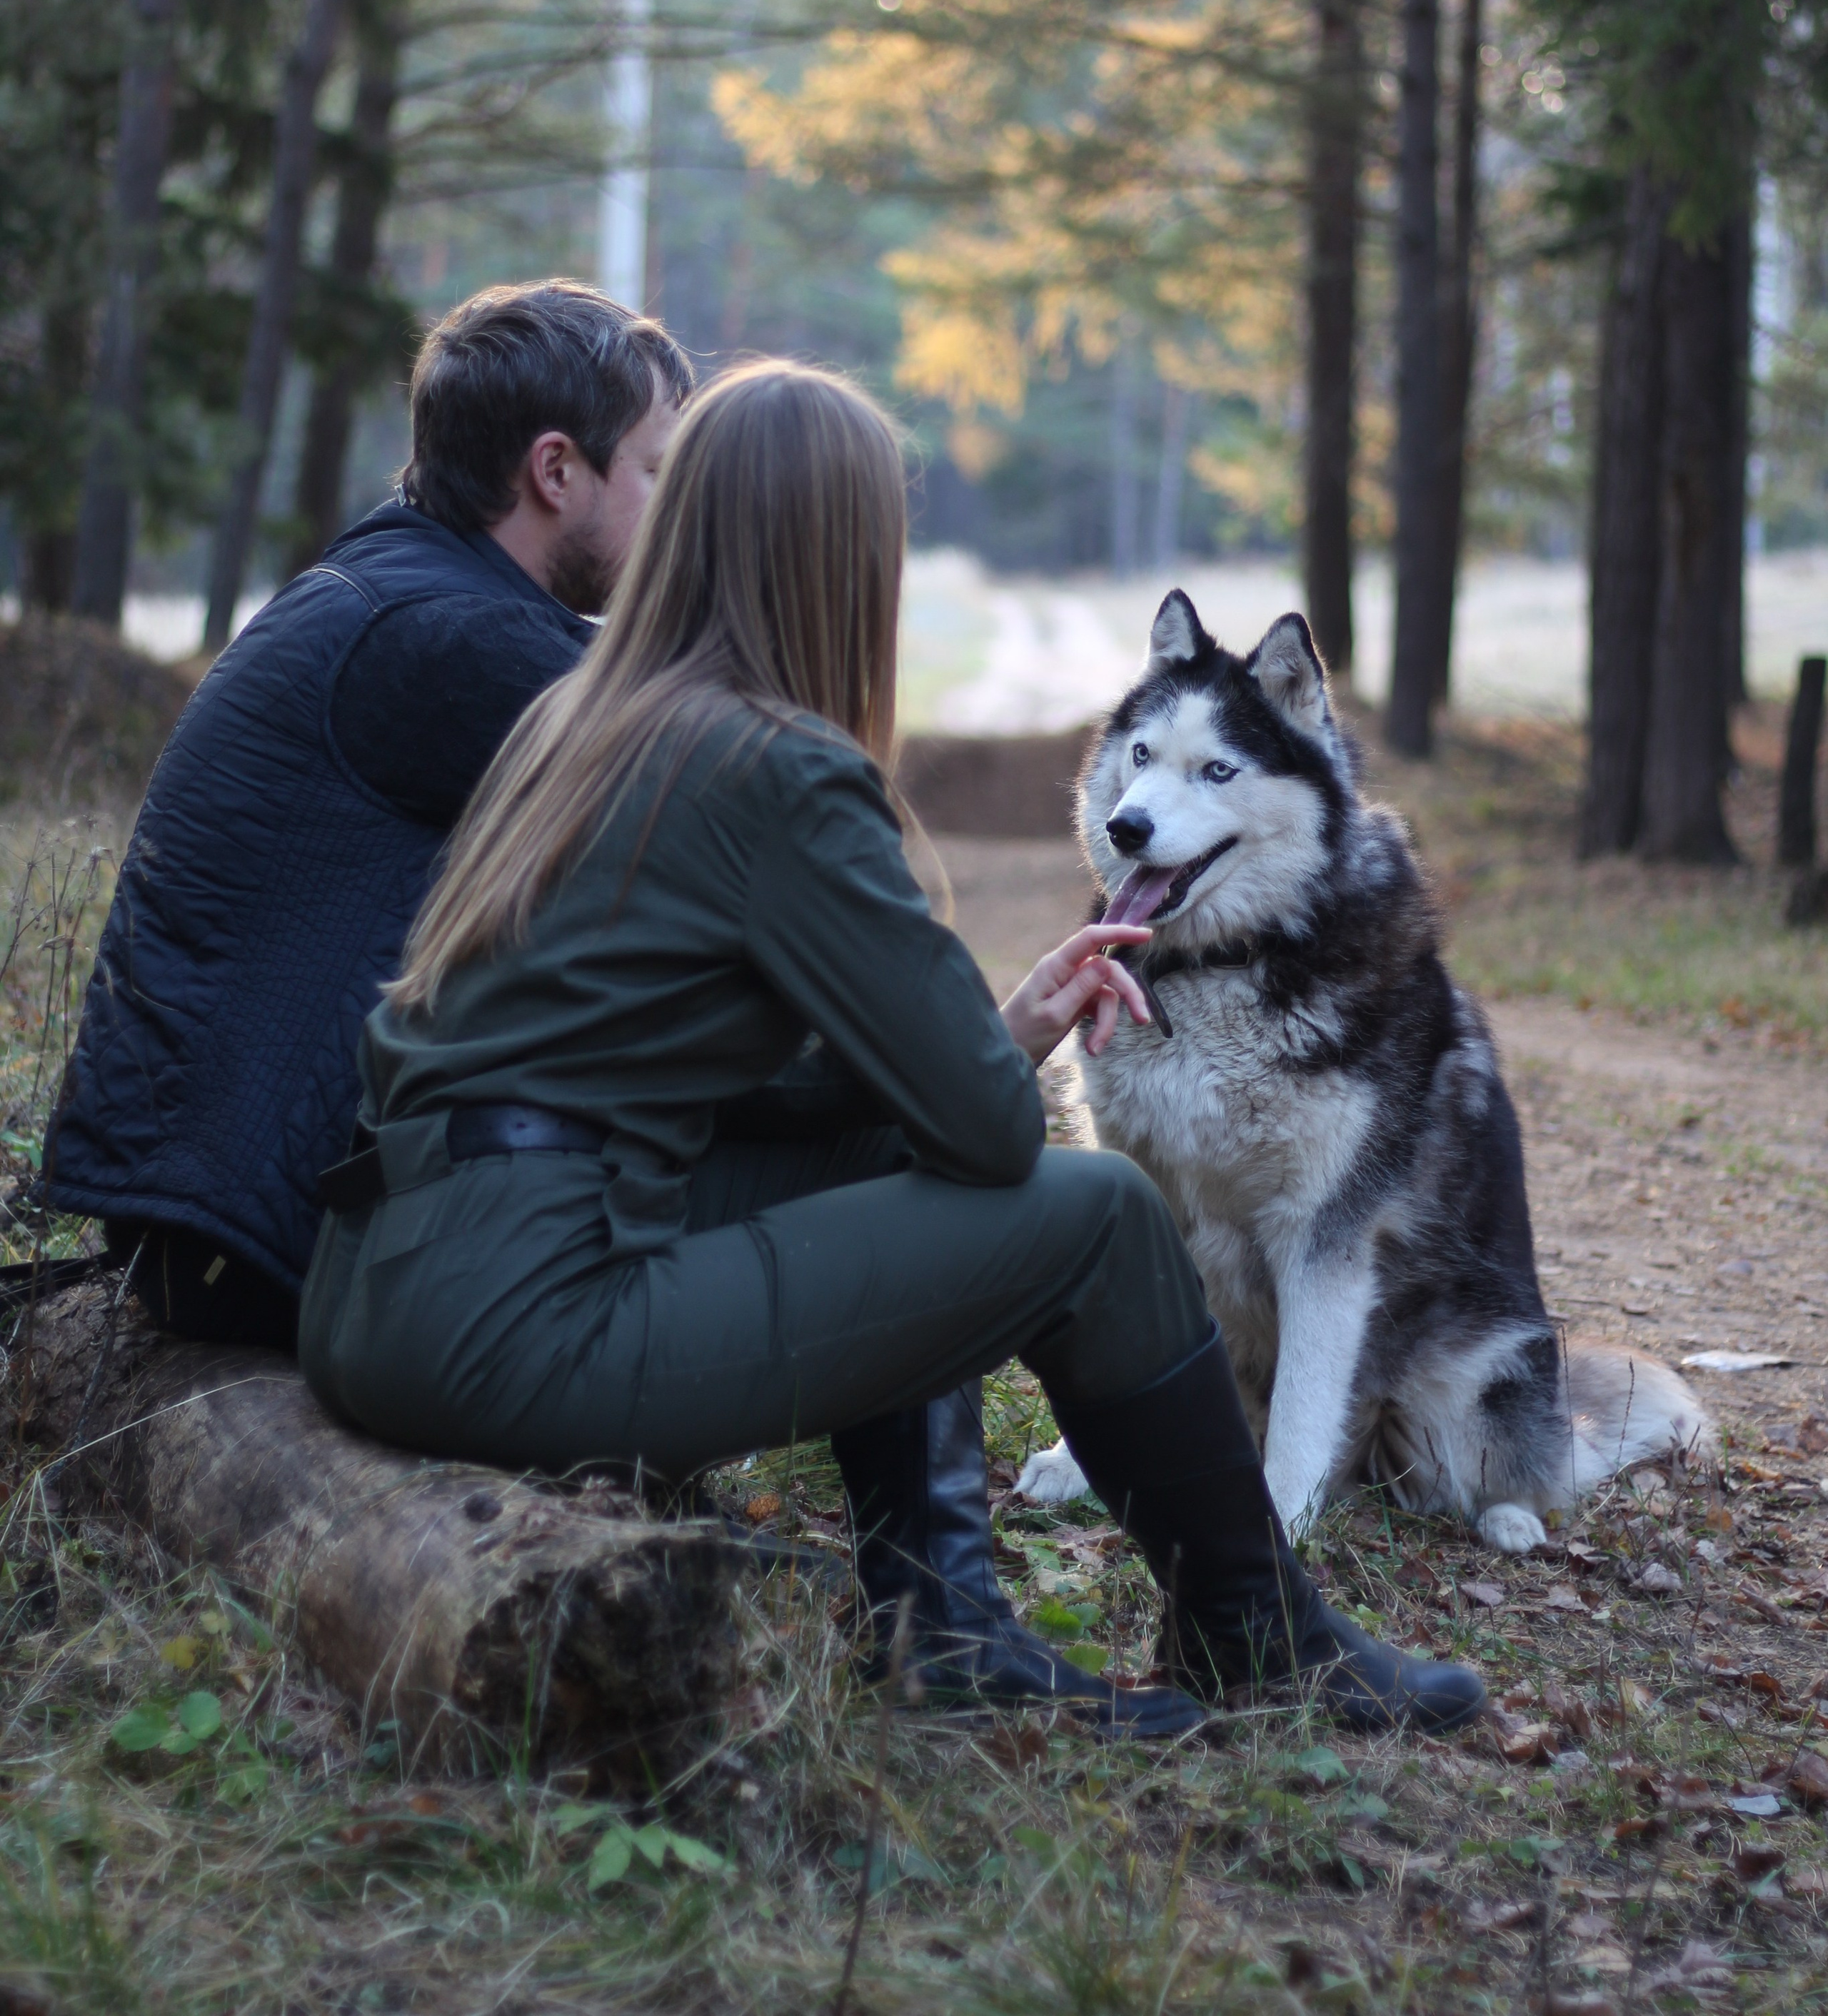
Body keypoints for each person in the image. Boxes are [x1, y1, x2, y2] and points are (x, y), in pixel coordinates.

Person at [301, 360, 1485, 1741]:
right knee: (1095, 1211)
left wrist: (996, 1036)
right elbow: (988, 1139)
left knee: (877, 1136)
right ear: (844, 557)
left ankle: (946, 1626)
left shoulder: (582, 718)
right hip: (524, 1322)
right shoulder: (782, 768)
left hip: (383, 1284)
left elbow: (728, 1078)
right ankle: (1259, 1637)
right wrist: (987, 1061)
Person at [44, 281, 689, 1349]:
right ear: (557, 470)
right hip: (261, 1242)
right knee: (849, 1135)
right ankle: (903, 1524)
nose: (678, 514)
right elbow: (734, 813)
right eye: (662, 473)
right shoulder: (451, 640)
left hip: (222, 1217)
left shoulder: (406, 589)